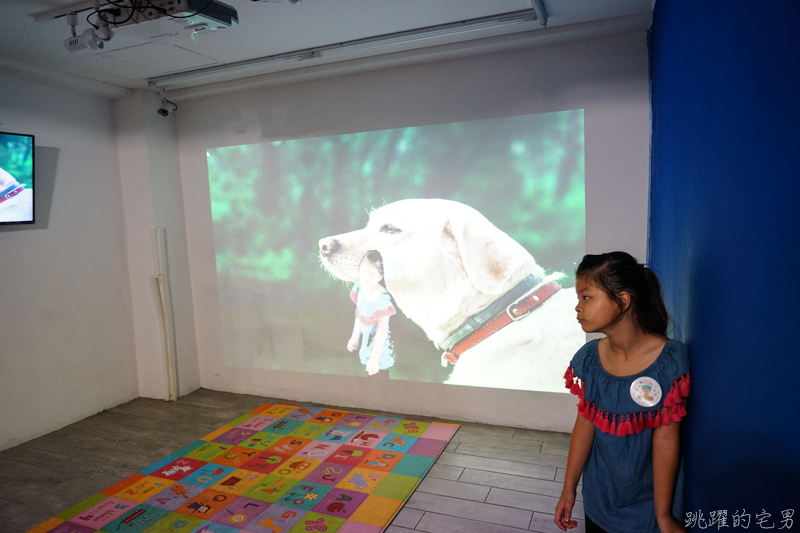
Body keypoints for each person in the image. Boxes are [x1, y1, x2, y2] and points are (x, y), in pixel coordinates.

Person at [555, 252, 690, 533]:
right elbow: (586, 422)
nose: (577, 308)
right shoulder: (591, 358)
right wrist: (569, 489)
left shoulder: (669, 361)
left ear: (623, 300)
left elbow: (666, 438)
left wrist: (663, 515)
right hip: (599, 503)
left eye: (586, 297)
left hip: (648, 513)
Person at [346, 250, 396, 376]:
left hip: (379, 351)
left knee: (378, 380)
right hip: (366, 344)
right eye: (363, 272)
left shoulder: (383, 300)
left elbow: (381, 331)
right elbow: (359, 313)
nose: (365, 278)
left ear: (380, 276)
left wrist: (374, 359)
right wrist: (355, 336)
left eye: (371, 275)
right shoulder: (360, 288)